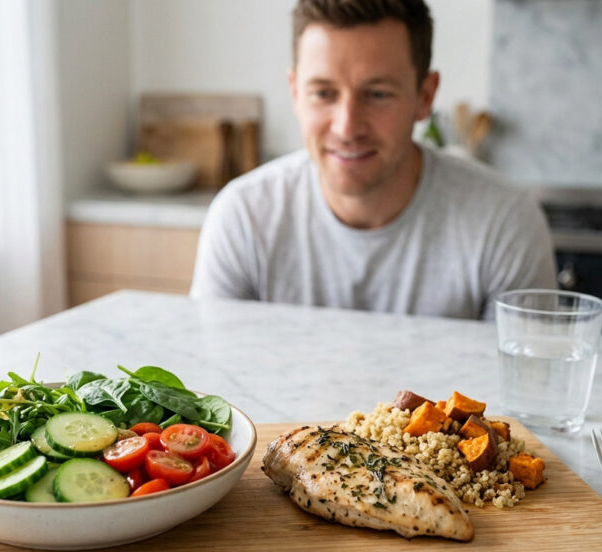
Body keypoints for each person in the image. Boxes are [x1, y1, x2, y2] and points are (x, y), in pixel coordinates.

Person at [189, 0, 557, 320]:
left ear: (425, 97)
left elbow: (527, 387)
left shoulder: (505, 221)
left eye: (378, 94)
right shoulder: (243, 217)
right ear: (295, 93)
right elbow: (217, 378)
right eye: (323, 93)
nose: (347, 127)